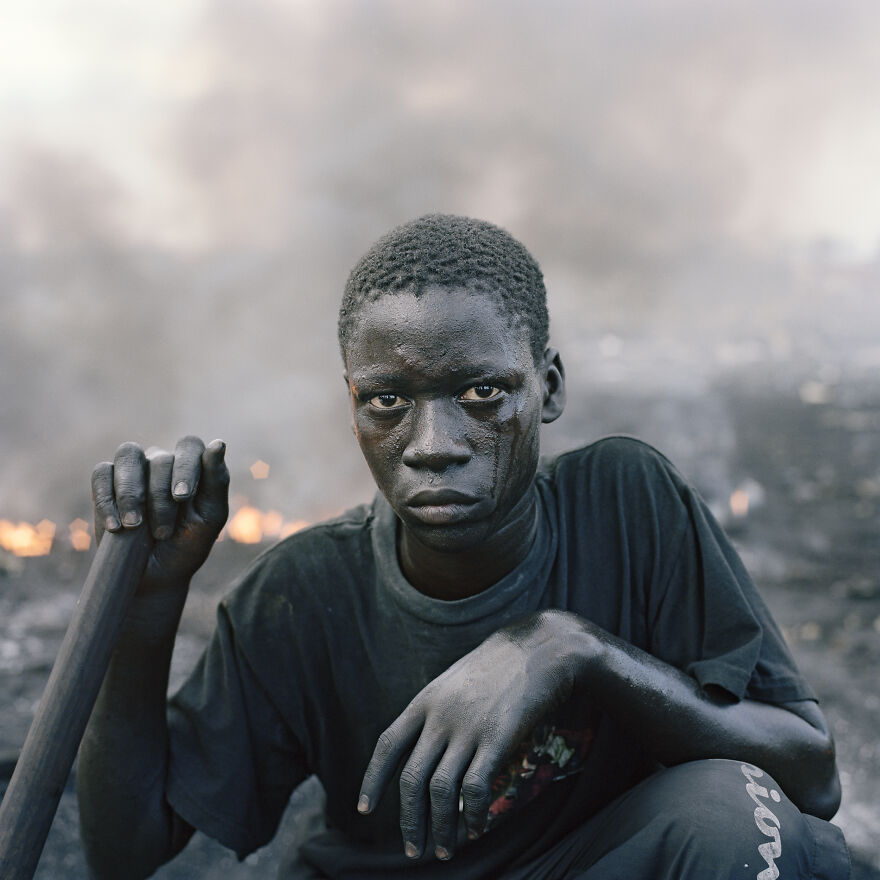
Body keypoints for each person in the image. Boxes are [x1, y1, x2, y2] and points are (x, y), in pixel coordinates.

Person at [78, 215, 850, 879]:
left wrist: (576, 650)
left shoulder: (626, 503)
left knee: (737, 815)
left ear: (548, 387)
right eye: (388, 400)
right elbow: (125, 852)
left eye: (481, 393)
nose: (433, 445)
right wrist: (146, 607)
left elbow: (809, 777)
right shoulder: (301, 594)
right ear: (353, 407)